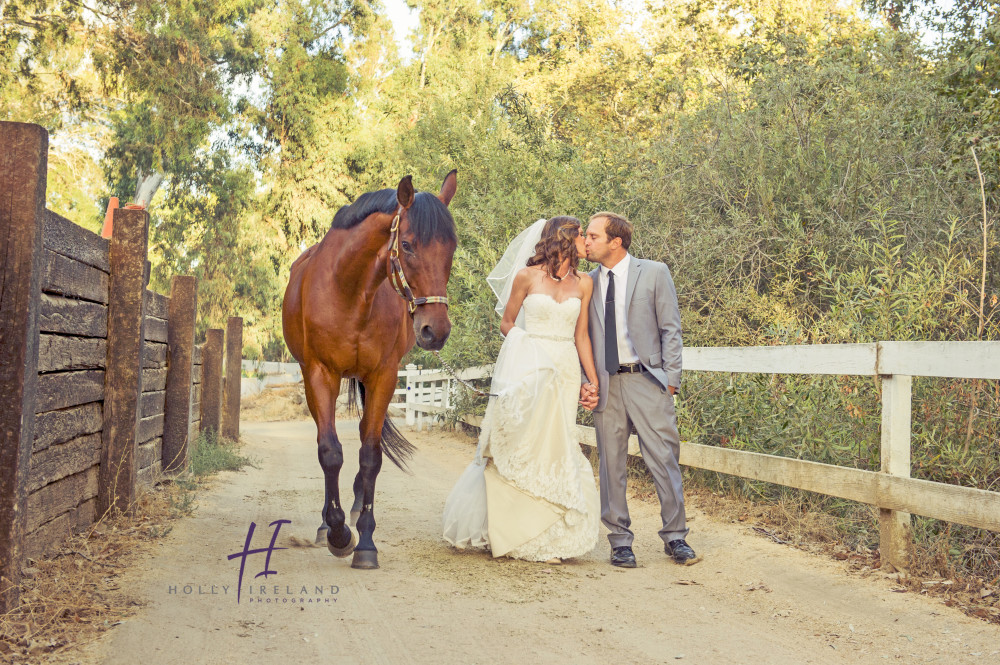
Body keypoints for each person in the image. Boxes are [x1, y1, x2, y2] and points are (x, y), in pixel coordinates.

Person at [442, 216, 601, 563]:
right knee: (525, 442)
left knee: (557, 445)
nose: (586, 244)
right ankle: (512, 529)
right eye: (580, 238)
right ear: (564, 239)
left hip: (565, 370)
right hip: (531, 365)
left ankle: (553, 533)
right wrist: (526, 348)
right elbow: (507, 323)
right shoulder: (527, 277)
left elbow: (582, 336)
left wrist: (592, 379)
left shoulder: (585, 283)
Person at [579, 211, 699, 567]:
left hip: (648, 381)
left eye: (592, 236)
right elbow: (579, 337)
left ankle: (675, 537)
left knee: (663, 459)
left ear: (615, 242)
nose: (586, 241)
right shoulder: (585, 282)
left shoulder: (655, 272)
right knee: (610, 462)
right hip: (606, 384)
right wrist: (586, 382)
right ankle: (619, 541)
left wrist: (671, 379)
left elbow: (671, 329)